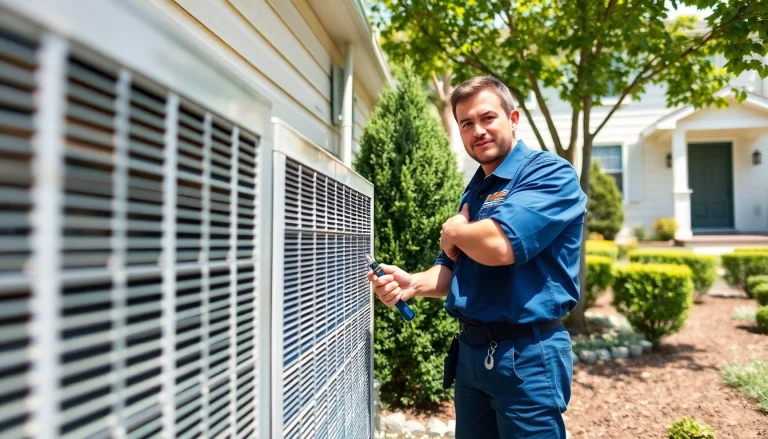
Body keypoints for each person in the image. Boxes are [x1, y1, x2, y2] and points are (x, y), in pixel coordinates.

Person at [367, 75, 587, 438]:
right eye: (466, 123)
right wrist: (412, 284)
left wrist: (454, 231)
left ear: (512, 119)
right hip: (472, 354)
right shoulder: (477, 189)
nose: (478, 131)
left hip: (526, 356)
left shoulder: (550, 174)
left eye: (488, 118)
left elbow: (500, 246)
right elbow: (453, 270)